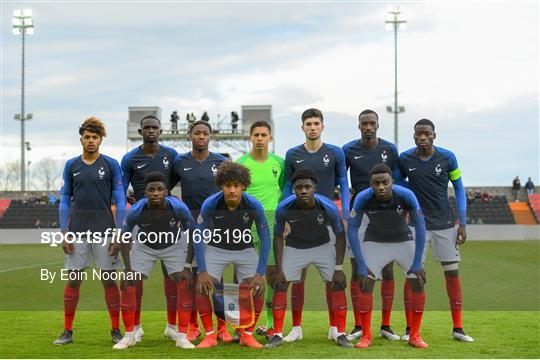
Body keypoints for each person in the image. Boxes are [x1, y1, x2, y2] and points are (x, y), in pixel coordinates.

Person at [398, 118, 473, 342]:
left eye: (427, 133)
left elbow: (459, 188)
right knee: (412, 276)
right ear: (414, 136)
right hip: (416, 226)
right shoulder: (405, 159)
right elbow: (399, 185)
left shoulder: (448, 157)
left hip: (445, 225)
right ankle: (409, 328)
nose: (422, 137)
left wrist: (463, 222)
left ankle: (458, 328)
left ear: (434, 135)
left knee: (452, 274)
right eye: (418, 134)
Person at [53, 117, 126, 345]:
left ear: (101, 139)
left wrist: (118, 231)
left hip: (105, 230)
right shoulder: (71, 165)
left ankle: (115, 330)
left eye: (95, 137)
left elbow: (120, 198)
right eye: (87, 137)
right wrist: (64, 231)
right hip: (77, 231)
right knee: (73, 280)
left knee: (108, 281)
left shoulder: (111, 164)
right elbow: (65, 199)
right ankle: (67, 331)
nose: (91, 141)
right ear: (81, 139)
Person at [283, 108, 350, 342]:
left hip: (328, 221)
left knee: (332, 275)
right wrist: (285, 217)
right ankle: (296, 328)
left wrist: (345, 215)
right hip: (299, 221)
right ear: (302, 127)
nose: (312, 127)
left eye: (316, 123)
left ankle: (335, 328)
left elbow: (343, 183)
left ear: (323, 126)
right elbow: (285, 188)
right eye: (308, 124)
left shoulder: (335, 153)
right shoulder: (292, 154)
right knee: (297, 277)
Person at [265, 170, 352, 349]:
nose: (303, 191)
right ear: (294, 190)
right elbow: (278, 236)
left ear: (315, 188)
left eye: (307, 187)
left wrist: (338, 268)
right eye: (299, 187)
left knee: (338, 283)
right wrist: (280, 269)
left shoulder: (327, 206)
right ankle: (278, 334)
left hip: (322, 246)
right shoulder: (284, 207)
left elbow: (340, 236)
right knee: (280, 283)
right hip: (295, 247)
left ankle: (341, 333)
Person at [112, 172, 197, 350]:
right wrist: (128, 269)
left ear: (166, 191)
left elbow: (193, 234)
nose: (156, 193)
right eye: (151, 190)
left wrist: (187, 266)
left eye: (160, 189)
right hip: (145, 246)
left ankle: (181, 335)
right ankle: (129, 335)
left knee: (185, 281)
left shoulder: (179, 207)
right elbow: (125, 239)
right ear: (145, 193)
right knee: (129, 283)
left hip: (173, 244)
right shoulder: (135, 210)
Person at [347, 164, 428, 349]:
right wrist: (360, 264)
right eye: (376, 183)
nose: (381, 187)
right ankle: (366, 336)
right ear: (371, 184)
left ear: (392, 182)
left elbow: (421, 226)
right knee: (366, 282)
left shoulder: (406, 195)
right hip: (375, 240)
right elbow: (352, 229)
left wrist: (417, 262)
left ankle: (414, 335)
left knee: (418, 281)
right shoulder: (363, 198)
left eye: (385, 182)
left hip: (402, 239)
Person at [194, 161, 270, 349]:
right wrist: (201, 271)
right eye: (228, 185)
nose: (232, 190)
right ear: (221, 186)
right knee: (202, 286)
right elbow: (198, 236)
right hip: (217, 249)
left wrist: (260, 274)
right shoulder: (211, 203)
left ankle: (247, 334)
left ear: (244, 185)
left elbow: (265, 237)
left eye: (236, 185)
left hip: (245, 250)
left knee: (259, 288)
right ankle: (210, 335)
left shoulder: (253, 204)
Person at [342, 109, 403, 341]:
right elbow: (342, 180)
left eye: (372, 123)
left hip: (385, 215)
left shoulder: (389, 149)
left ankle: (385, 325)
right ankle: (358, 325)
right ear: (359, 126)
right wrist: (347, 211)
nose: (368, 126)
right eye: (364, 123)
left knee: (387, 269)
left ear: (378, 125)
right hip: (360, 213)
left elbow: (396, 181)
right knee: (357, 268)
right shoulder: (349, 150)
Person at [120, 115, 180, 343]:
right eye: (147, 128)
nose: (151, 131)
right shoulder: (130, 158)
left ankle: (172, 325)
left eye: (155, 127)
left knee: (171, 275)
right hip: (140, 221)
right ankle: (135, 326)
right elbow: (121, 186)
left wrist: (161, 195)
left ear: (161, 131)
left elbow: (174, 180)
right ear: (140, 131)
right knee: (136, 277)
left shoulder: (171, 155)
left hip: (167, 221)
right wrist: (130, 198)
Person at [172, 120, 228, 342]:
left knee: (217, 278)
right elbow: (164, 188)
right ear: (190, 136)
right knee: (193, 276)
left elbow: (231, 193)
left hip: (216, 227)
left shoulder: (221, 162)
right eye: (197, 133)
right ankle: (194, 325)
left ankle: (222, 327)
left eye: (205, 133)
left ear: (210, 136)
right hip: (190, 227)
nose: (201, 137)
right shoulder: (180, 162)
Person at [236, 121, 285, 340]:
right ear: (250, 138)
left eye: (263, 135)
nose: (259, 138)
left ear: (270, 138)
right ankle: (240, 326)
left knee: (272, 275)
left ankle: (270, 324)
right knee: (244, 279)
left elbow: (284, 191)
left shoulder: (279, 163)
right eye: (255, 134)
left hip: (272, 226)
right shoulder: (240, 164)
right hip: (246, 226)